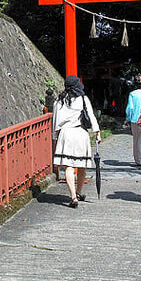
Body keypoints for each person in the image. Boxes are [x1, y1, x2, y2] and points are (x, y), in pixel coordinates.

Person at [52, 75, 101, 208]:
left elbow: (55, 122)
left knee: (68, 166)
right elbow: (91, 116)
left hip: (66, 133)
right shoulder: (83, 99)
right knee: (81, 165)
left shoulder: (59, 101)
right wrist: (97, 132)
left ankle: (73, 196)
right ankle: (79, 192)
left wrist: (54, 138)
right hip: (80, 133)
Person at [125, 75, 141, 168]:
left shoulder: (132, 94)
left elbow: (130, 108)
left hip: (135, 119)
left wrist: (127, 118)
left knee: (136, 140)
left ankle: (138, 160)